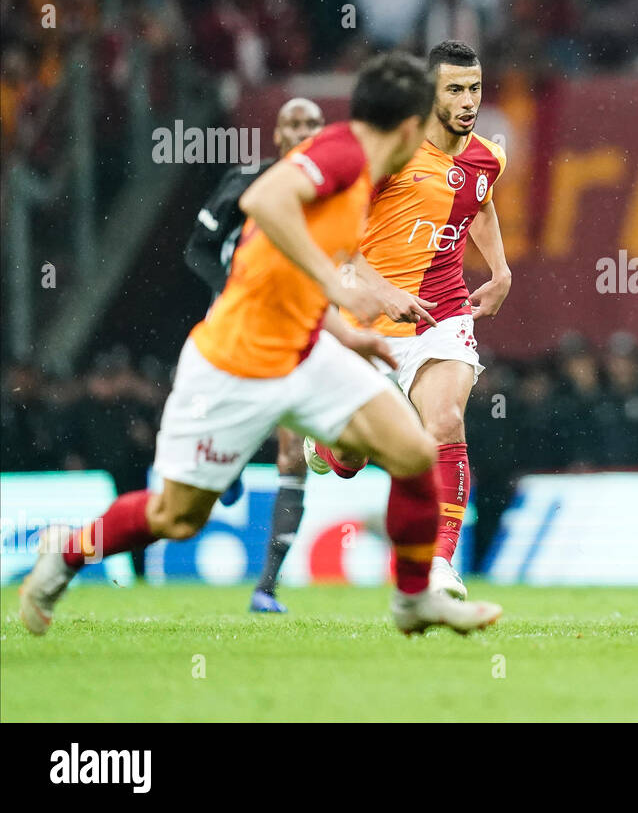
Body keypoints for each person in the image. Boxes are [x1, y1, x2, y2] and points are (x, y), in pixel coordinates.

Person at [19, 52, 502, 637]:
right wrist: (338, 287)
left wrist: (346, 331)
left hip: (308, 349)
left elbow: (302, 266)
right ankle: (66, 557)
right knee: (175, 515)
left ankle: (413, 598)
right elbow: (262, 202)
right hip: (237, 361)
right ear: (408, 124)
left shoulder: (400, 171)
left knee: (415, 452)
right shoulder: (342, 154)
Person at [304, 41, 511, 602]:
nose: (469, 102)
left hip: (442, 315)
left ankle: (441, 565)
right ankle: (328, 450)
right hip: (367, 320)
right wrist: (382, 290)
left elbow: (481, 202)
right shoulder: (391, 151)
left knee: (444, 422)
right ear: (429, 93)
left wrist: (500, 268)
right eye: (455, 90)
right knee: (350, 457)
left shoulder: (488, 156)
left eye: (475, 89)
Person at [184, 96, 325, 613]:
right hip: (238, 331)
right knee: (228, 425)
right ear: (279, 134)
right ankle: (226, 463)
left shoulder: (336, 195)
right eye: (295, 123)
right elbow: (197, 248)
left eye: (314, 123)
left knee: (293, 455)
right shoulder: (247, 181)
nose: (305, 130)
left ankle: (266, 587)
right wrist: (232, 290)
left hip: (300, 334)